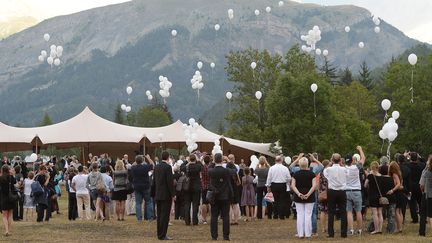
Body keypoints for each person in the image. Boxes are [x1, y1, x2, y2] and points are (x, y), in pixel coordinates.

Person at [209, 153, 235, 241]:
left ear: (214, 160)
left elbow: (208, 168)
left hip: (215, 196)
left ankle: (214, 236)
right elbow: (235, 170)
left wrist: (213, 162)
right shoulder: (226, 171)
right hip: (225, 196)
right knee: (226, 216)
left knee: (214, 216)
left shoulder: (211, 171)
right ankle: (226, 236)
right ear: (222, 160)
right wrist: (229, 161)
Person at [291, 157, 317, 239]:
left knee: (300, 215)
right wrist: (308, 194)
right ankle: (308, 234)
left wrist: (299, 194)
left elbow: (293, 185)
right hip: (310, 196)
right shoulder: (312, 174)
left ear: (299, 164)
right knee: (308, 215)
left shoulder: (295, 174)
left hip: (298, 197)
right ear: (307, 164)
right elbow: (314, 186)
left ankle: (301, 234)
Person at [323, 153, 347, 238]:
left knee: (331, 212)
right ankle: (344, 233)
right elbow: (347, 175)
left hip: (332, 191)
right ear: (340, 160)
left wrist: (330, 163)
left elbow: (325, 174)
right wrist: (342, 164)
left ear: (332, 160)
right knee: (343, 212)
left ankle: (331, 233)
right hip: (342, 191)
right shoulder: (344, 169)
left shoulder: (328, 169)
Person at [153, 151, 175, 240]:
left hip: (158, 194)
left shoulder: (157, 167)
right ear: (168, 157)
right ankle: (163, 234)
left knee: (159, 215)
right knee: (165, 216)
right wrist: (173, 194)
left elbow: (154, 181)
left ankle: (159, 233)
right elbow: (170, 182)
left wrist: (153, 193)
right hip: (166, 195)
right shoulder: (168, 167)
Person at [345, 146, 366, 235]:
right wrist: (360, 149)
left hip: (347, 191)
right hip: (357, 191)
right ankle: (360, 230)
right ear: (353, 160)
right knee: (358, 211)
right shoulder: (356, 167)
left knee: (349, 212)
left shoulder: (344, 168)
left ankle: (351, 230)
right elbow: (363, 158)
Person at [266, 155, 291, 220]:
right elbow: (289, 178)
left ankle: (275, 215)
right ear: (281, 160)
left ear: (275, 160)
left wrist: (268, 186)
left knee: (275, 200)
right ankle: (281, 215)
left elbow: (269, 178)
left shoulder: (271, 168)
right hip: (282, 185)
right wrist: (287, 183)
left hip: (274, 185)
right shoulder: (285, 168)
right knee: (282, 200)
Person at [130, 154, 154, 222]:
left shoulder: (133, 168)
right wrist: (148, 158)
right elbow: (152, 165)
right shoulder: (145, 167)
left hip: (137, 187)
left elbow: (132, 165)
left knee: (138, 203)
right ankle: (150, 217)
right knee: (148, 202)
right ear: (142, 161)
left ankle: (139, 218)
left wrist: (136, 160)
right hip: (146, 186)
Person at [181, 154, 202, 226]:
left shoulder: (186, 167)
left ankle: (187, 221)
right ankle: (195, 220)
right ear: (195, 159)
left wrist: (187, 161)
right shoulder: (198, 166)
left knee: (187, 204)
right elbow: (201, 166)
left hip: (187, 187)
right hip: (196, 187)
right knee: (195, 204)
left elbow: (181, 167)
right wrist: (198, 160)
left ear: (190, 159)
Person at [364, 161, 383, 234]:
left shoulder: (370, 176)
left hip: (372, 195)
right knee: (380, 212)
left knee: (375, 213)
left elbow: (365, 185)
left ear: (371, 167)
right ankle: (380, 229)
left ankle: (376, 229)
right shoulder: (381, 176)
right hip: (380, 196)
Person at [407, 152, 426, 224]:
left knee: (412, 203)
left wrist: (405, 156)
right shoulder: (421, 165)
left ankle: (414, 219)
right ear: (417, 158)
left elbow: (402, 162)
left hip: (411, 187)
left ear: (410, 158)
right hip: (420, 186)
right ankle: (423, 217)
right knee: (421, 202)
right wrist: (420, 157)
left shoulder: (408, 165)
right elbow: (425, 162)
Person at [0, 165, 17, 236]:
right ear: (8, 170)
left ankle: (6, 230)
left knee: (4, 216)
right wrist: (13, 174)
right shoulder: (11, 177)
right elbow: (15, 184)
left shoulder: (0, 178)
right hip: (11, 197)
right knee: (10, 215)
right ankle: (9, 230)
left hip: (3, 197)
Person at [379, 164, 396, 233]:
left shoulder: (380, 179)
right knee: (391, 215)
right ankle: (391, 229)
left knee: (379, 214)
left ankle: (374, 227)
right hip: (392, 198)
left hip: (383, 199)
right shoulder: (392, 179)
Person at [389, 161, 404, 233]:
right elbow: (401, 184)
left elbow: (398, 184)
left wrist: (392, 190)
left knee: (396, 211)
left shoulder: (394, 174)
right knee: (400, 211)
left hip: (397, 193)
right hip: (401, 193)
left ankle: (399, 228)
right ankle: (400, 227)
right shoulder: (399, 173)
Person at [419, 156, 432, 236]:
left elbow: (421, 185)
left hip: (427, 194)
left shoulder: (426, 171)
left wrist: (423, 191)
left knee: (423, 214)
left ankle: (422, 232)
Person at [318, 159, 330, 234]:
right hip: (329, 192)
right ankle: (328, 227)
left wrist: (319, 191)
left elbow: (319, 183)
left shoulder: (321, 173)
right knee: (329, 211)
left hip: (322, 192)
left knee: (322, 211)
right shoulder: (329, 172)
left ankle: (323, 228)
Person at [200, 155, 211, 224]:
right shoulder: (211, 168)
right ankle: (211, 217)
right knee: (210, 203)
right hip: (210, 186)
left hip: (203, 186)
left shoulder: (202, 168)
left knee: (204, 203)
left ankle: (204, 219)